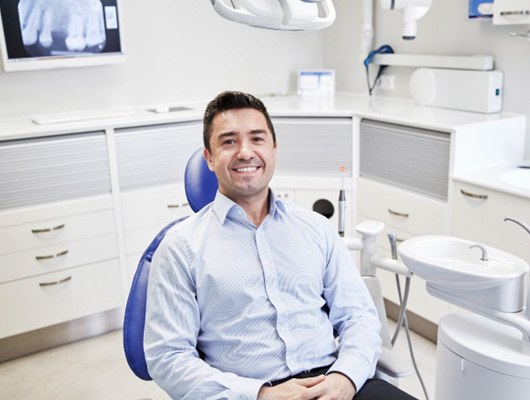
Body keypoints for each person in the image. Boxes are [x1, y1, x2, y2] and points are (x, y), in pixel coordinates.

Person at [144, 91, 418, 400]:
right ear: (209, 158)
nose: (245, 152)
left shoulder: (315, 228)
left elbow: (359, 317)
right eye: (229, 141)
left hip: (335, 382)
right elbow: (168, 357)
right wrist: (260, 394)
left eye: (257, 139)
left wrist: (345, 377)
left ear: (274, 149)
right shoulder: (181, 248)